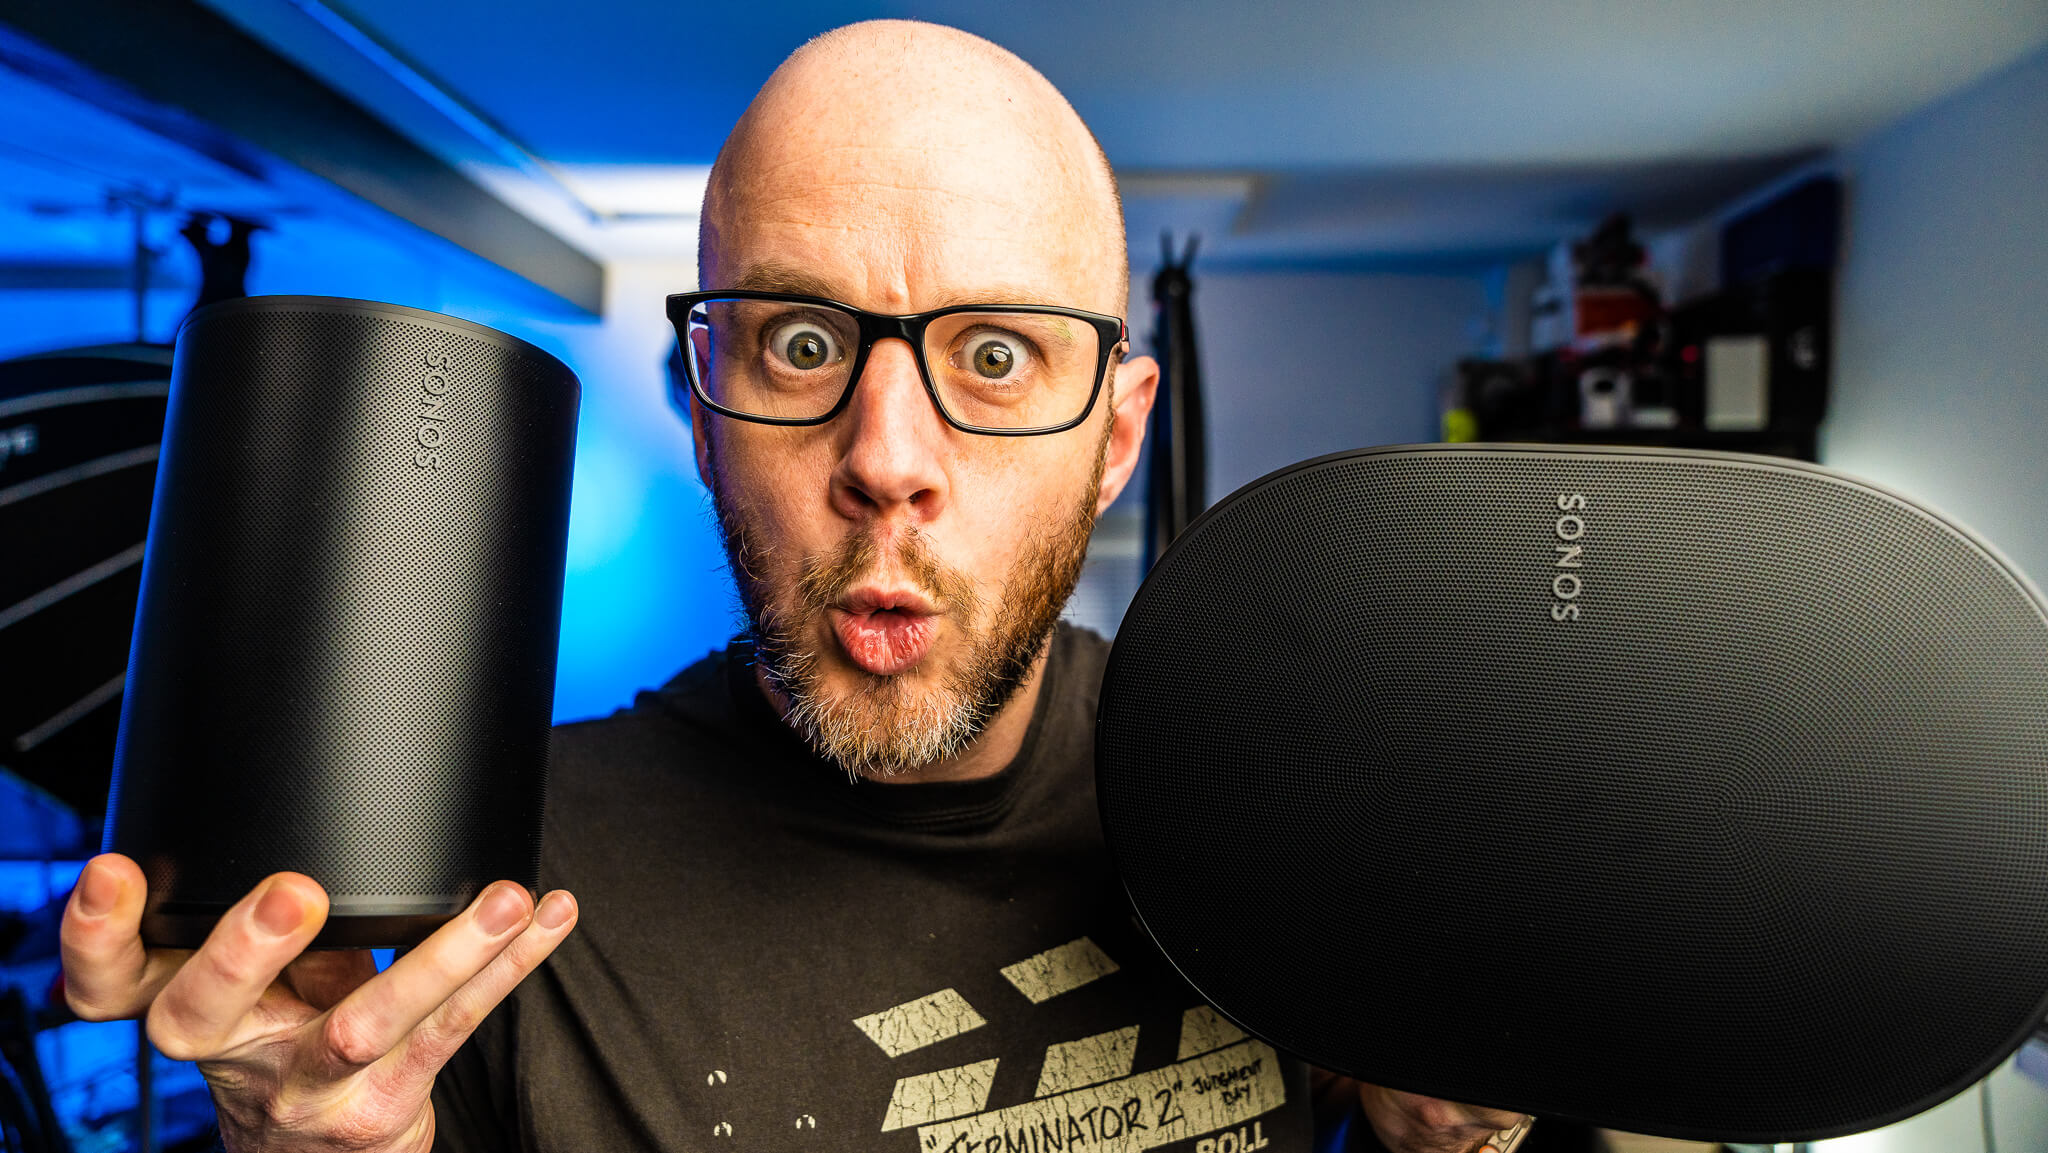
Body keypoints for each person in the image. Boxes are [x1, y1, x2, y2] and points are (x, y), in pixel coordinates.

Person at [59, 20, 1532, 1153]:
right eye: (803, 346)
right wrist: (308, 1139)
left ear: (1116, 437)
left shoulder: (1288, 800)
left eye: (996, 356)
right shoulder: (484, 898)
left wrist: (1445, 1126)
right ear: (704, 412)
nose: (887, 461)